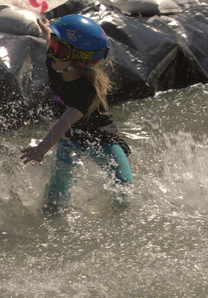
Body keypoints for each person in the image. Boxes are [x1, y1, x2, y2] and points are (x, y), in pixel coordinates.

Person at [20, 15, 133, 211]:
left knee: (123, 185)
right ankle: (53, 209)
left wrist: (42, 148)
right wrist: (48, 31)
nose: (51, 53)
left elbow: (65, 121)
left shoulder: (86, 90)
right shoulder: (57, 63)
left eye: (58, 49)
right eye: (53, 46)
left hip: (102, 140)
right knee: (60, 178)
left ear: (80, 61)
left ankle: (123, 215)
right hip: (72, 136)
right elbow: (51, 42)